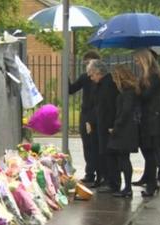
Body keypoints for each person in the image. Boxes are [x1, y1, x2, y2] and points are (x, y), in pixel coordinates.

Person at [131, 49, 160, 197]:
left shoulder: (154, 76)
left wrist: (136, 89)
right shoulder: (150, 75)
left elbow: (146, 95)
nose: (136, 63)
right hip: (151, 118)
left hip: (152, 119)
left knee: (150, 152)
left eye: (138, 60)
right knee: (148, 151)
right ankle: (150, 180)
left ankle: (152, 184)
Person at [86, 60, 120, 193]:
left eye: (91, 74)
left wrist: (111, 124)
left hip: (107, 125)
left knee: (109, 155)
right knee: (103, 153)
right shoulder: (100, 84)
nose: (90, 77)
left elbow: (111, 106)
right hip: (101, 123)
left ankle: (112, 182)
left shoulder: (108, 84)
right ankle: (106, 179)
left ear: (97, 72)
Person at [107, 64, 140, 198]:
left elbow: (125, 111)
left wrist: (116, 126)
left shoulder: (128, 92)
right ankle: (126, 186)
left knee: (123, 158)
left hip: (124, 130)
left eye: (115, 77)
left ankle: (127, 187)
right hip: (127, 128)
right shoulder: (130, 91)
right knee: (122, 158)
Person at [69, 50, 101, 185]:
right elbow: (71, 89)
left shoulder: (102, 78)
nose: (87, 68)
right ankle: (90, 172)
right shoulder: (84, 77)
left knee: (96, 145)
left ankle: (99, 173)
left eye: (89, 63)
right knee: (87, 145)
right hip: (86, 112)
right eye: (86, 64)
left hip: (96, 113)